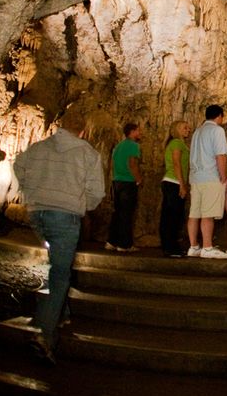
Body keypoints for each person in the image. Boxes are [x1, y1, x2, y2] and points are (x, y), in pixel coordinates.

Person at [12, 113, 105, 365]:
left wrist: (31, 191)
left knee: (55, 263)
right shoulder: (87, 153)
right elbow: (97, 191)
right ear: (83, 132)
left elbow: (18, 165)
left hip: (37, 214)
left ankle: (60, 312)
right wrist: (82, 204)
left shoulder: (39, 147)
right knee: (61, 273)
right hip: (64, 216)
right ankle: (44, 333)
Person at [187, 104, 227, 259]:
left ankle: (193, 246)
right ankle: (207, 247)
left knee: (194, 214)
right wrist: (223, 176)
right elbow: (220, 155)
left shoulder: (197, 132)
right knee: (208, 214)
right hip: (210, 177)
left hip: (196, 178)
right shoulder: (217, 130)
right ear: (219, 116)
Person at [106, 122, 142, 252]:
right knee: (127, 214)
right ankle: (124, 244)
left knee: (117, 212)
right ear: (132, 132)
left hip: (117, 181)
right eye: (138, 131)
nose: (140, 133)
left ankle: (111, 241)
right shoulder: (133, 146)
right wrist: (138, 179)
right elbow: (132, 163)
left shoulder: (118, 146)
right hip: (128, 182)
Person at [159, 119, 192, 258]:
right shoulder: (177, 143)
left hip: (170, 182)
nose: (188, 130)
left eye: (188, 128)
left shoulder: (173, 143)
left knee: (168, 216)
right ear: (177, 129)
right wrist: (182, 185)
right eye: (185, 128)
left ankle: (168, 246)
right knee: (174, 216)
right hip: (174, 182)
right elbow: (177, 163)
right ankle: (172, 247)